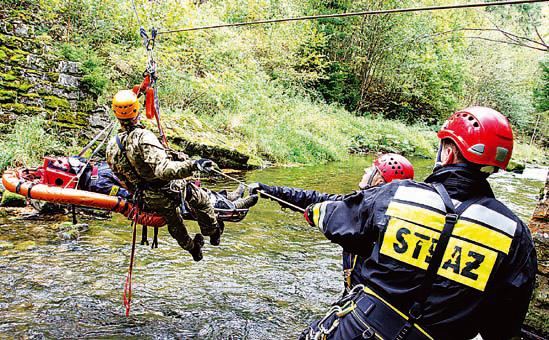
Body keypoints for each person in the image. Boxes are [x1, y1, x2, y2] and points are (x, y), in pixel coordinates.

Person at [297, 107, 536, 339]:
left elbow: (338, 219)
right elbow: (502, 327)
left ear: (449, 153)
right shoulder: (515, 234)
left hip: (361, 326)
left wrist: (312, 211)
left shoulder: (400, 194)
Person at [249, 153, 414, 295]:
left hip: (367, 303)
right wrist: (270, 191)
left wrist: (316, 213)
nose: (366, 170)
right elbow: (314, 198)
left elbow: (326, 212)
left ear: (379, 181)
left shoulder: (368, 216)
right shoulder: (364, 207)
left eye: (372, 169)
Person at [106, 89, 222, 262]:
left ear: (116, 114)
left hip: (146, 196)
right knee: (202, 200)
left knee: (175, 223)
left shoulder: (111, 147)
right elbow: (163, 170)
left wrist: (137, 193)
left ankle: (193, 249)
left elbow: (120, 176)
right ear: (137, 111)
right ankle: (212, 232)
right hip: (169, 188)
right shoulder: (143, 137)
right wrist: (193, 165)